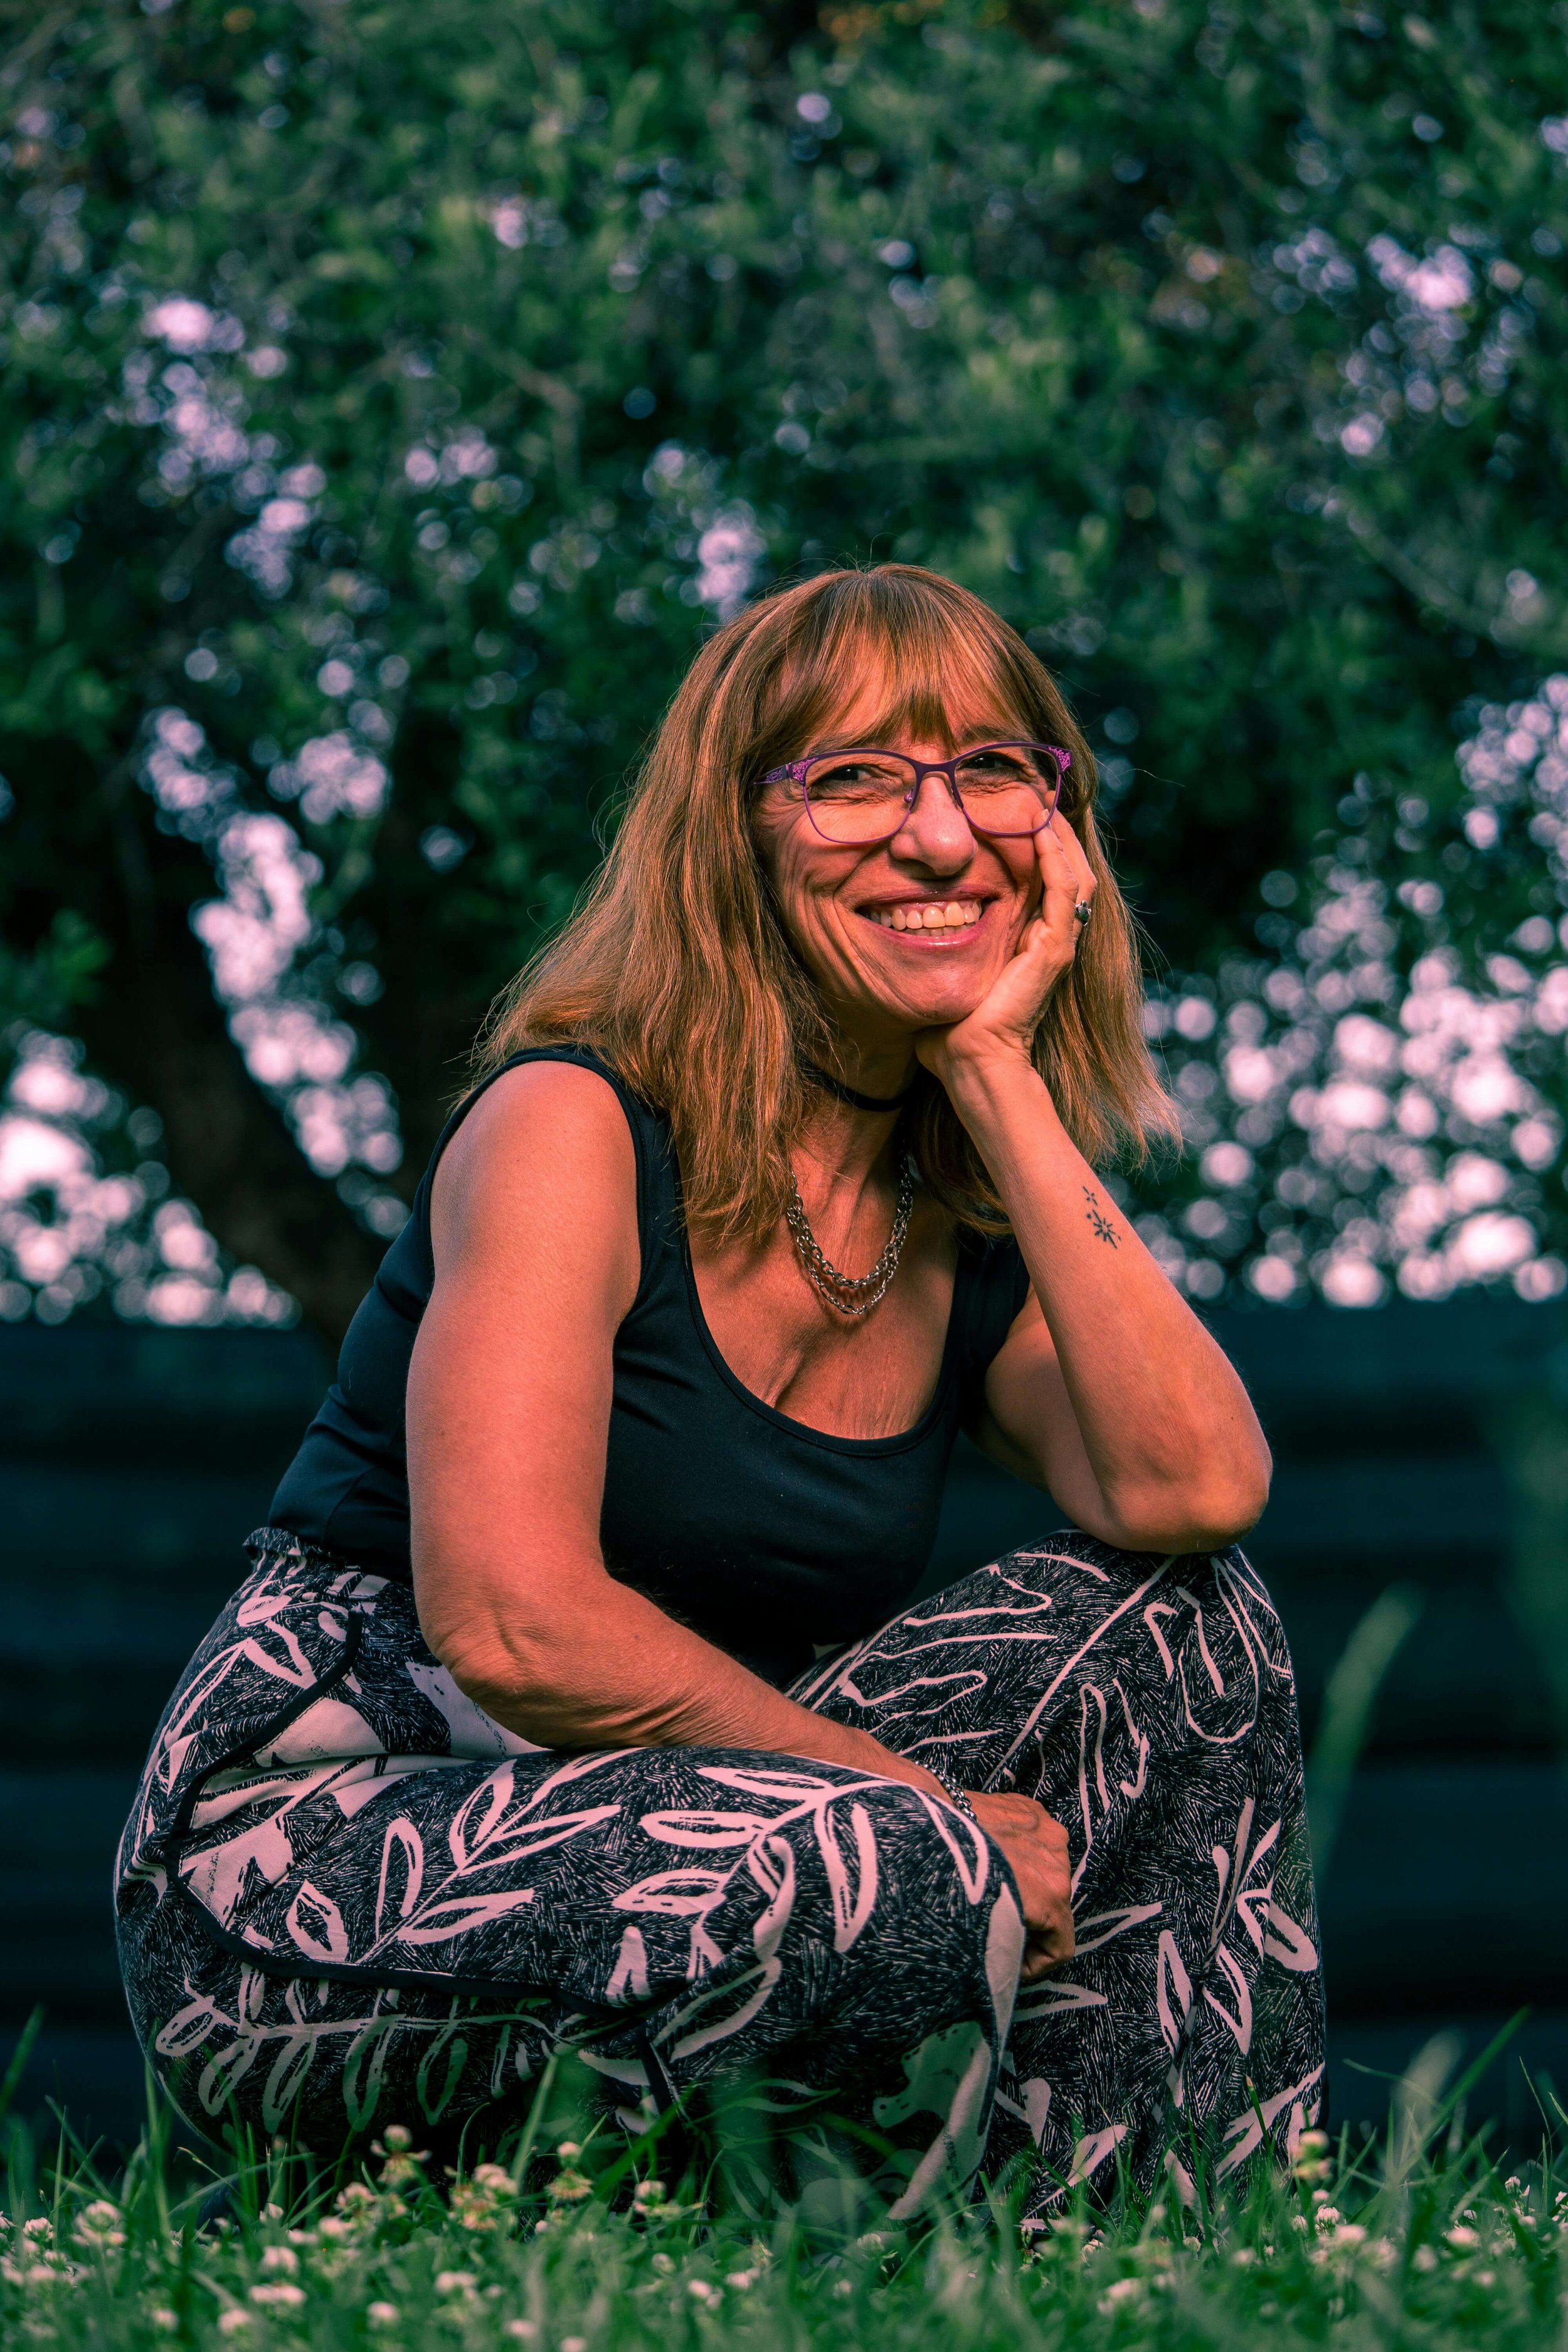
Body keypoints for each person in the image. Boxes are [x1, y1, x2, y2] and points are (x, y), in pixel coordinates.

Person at [116, 565, 1323, 2218]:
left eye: (993, 771)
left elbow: (1192, 1492)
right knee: (883, 1859)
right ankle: (505, 2199)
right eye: (852, 779)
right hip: (316, 1865)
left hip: (731, 1840)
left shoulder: (948, 1221)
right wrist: (923, 1805)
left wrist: (994, 1074)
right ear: (734, 836)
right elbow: (516, 1622)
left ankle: (1160, 2237)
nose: (939, 837)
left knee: (1192, 1623)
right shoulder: (574, 1124)